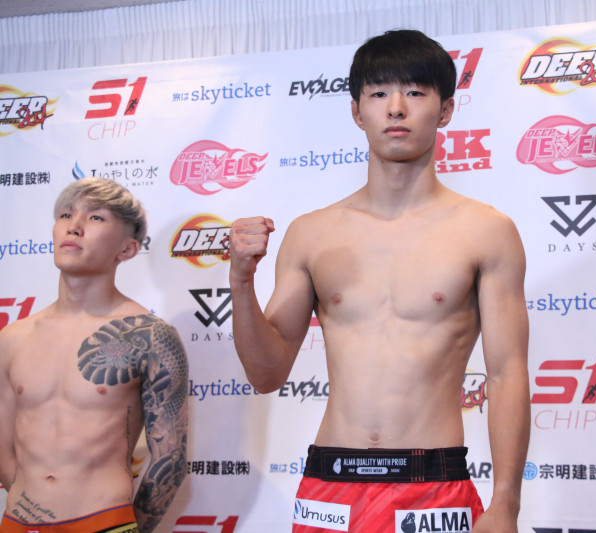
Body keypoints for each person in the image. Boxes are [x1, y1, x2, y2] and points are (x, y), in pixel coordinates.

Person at [230, 29, 530, 532]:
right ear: (357, 112)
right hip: (330, 484)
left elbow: (506, 374)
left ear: (446, 110)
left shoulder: (486, 231)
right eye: (378, 93)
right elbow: (267, 375)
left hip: (434, 487)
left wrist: (506, 503)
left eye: (414, 92)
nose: (396, 108)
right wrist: (241, 283)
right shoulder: (311, 233)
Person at [0, 178, 189, 533]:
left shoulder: (150, 337)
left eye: (96, 217)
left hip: (103, 522)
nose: (74, 226)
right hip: (19, 523)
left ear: (127, 249)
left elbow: (170, 459)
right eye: (66, 214)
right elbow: (4, 449)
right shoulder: (13, 337)